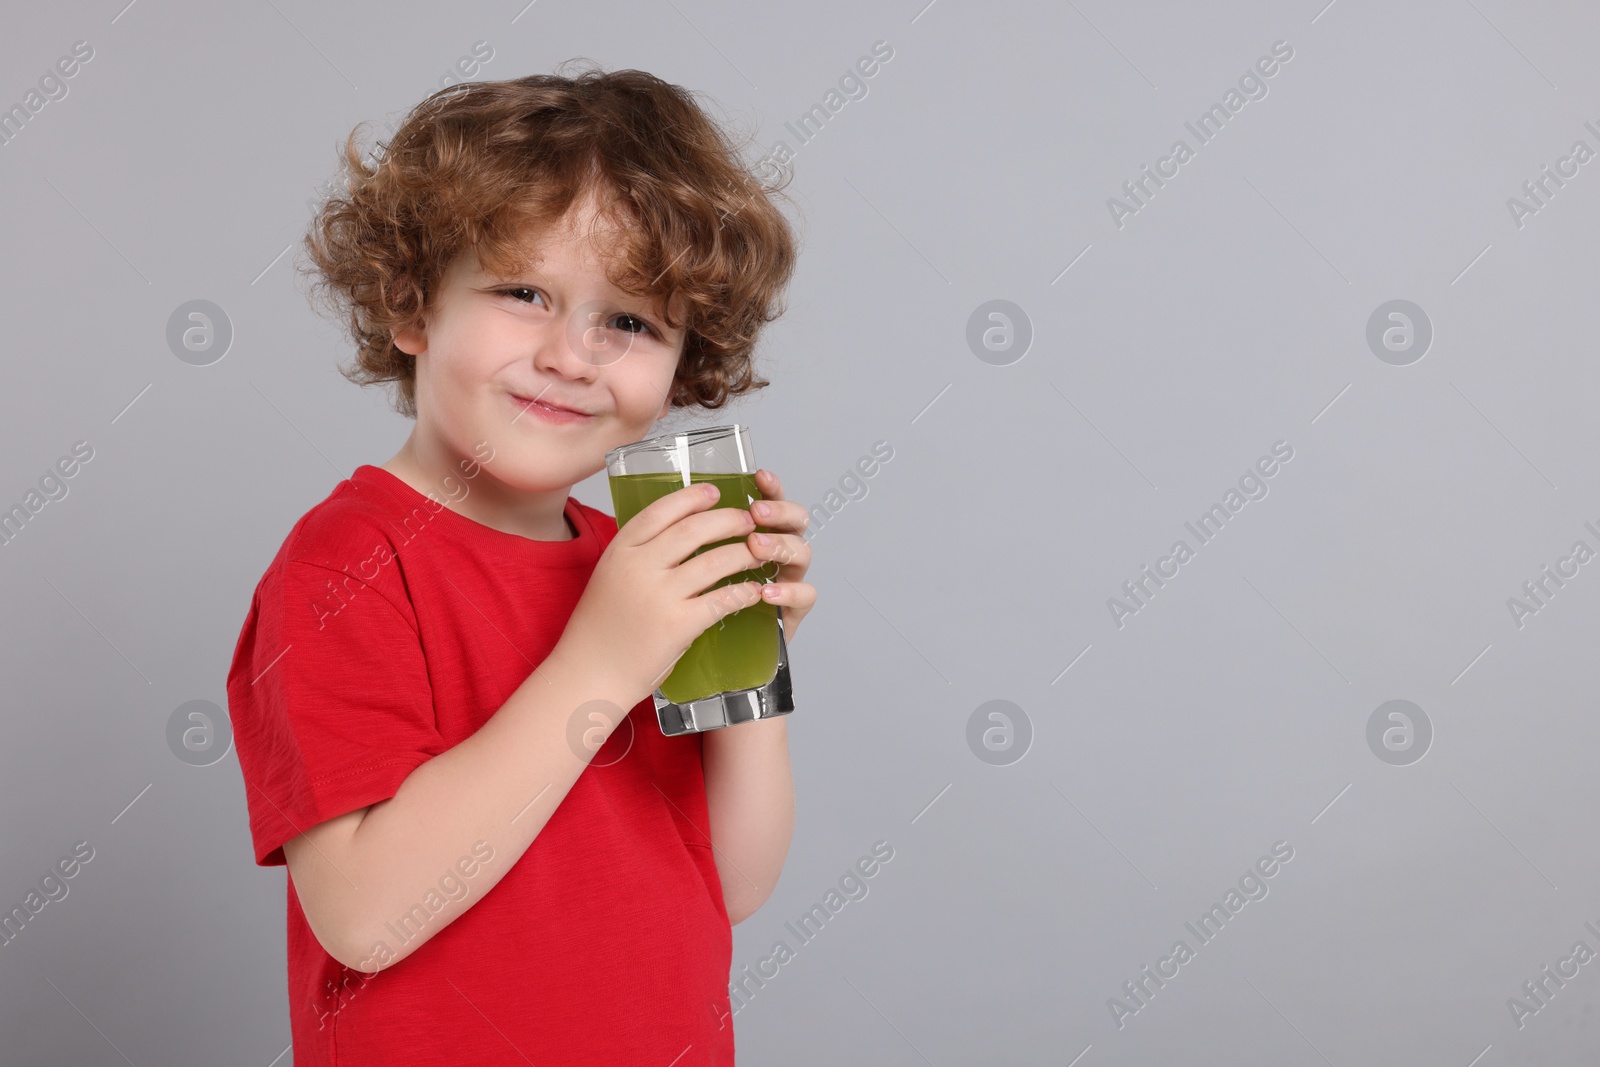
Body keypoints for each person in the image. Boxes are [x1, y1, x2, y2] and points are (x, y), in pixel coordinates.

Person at [224, 63, 816, 1066]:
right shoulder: (346, 567)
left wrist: (742, 653)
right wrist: (599, 664)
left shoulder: (637, 560)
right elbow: (366, 916)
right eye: (523, 292)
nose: (572, 356)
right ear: (412, 307)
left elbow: (735, 881)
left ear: (684, 361)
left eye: (628, 320)